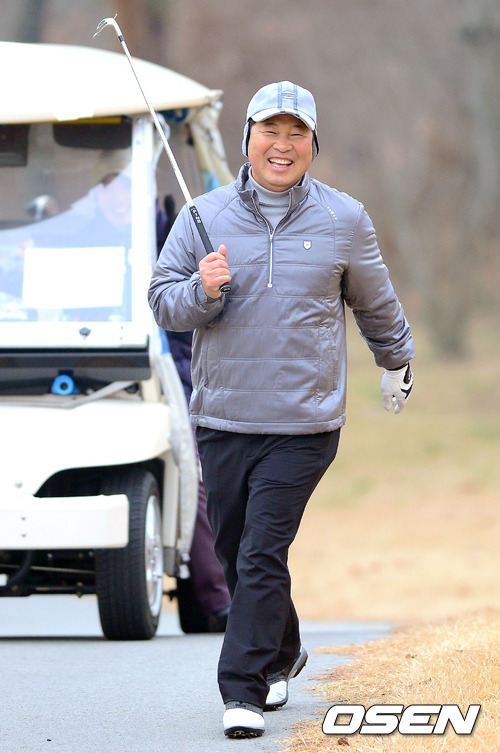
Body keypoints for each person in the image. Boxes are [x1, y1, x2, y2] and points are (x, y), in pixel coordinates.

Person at [148, 81, 415, 739]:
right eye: (271, 130)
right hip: (223, 417)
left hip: (303, 421)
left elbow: (375, 301)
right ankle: (283, 648)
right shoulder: (203, 215)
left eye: (298, 133)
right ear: (248, 137)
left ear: (313, 144)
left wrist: (396, 360)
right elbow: (162, 302)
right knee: (239, 552)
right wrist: (202, 290)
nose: (283, 145)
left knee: (262, 549)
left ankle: (242, 688)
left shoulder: (344, 218)